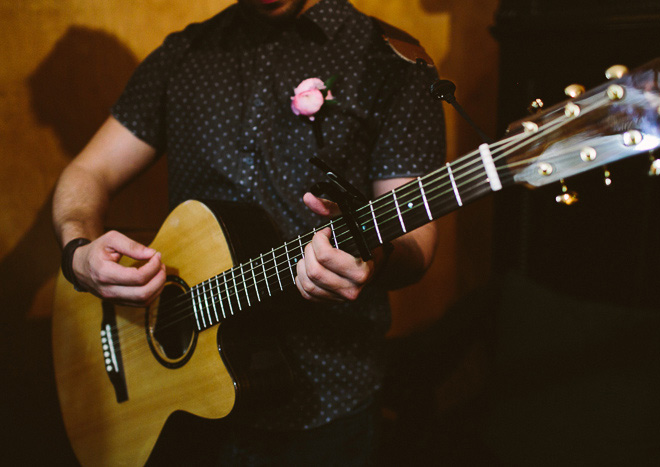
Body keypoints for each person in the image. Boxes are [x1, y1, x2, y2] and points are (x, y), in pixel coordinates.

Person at [52, 0, 445, 463]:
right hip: (180, 406)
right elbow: (87, 173)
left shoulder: (391, 59)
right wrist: (78, 253)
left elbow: (417, 242)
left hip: (322, 401)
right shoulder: (184, 53)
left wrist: (374, 259)